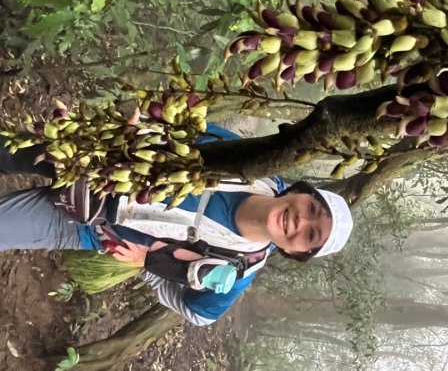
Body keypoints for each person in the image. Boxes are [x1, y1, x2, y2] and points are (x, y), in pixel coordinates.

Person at [0, 123, 354, 326]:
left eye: (311, 234)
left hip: (84, 223)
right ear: (301, 191)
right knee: (5, 151)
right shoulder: (252, 169)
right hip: (95, 158)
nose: (300, 220)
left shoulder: (238, 267)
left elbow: (199, 314)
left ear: (296, 251)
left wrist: (147, 266)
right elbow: (195, 132)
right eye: (311, 207)